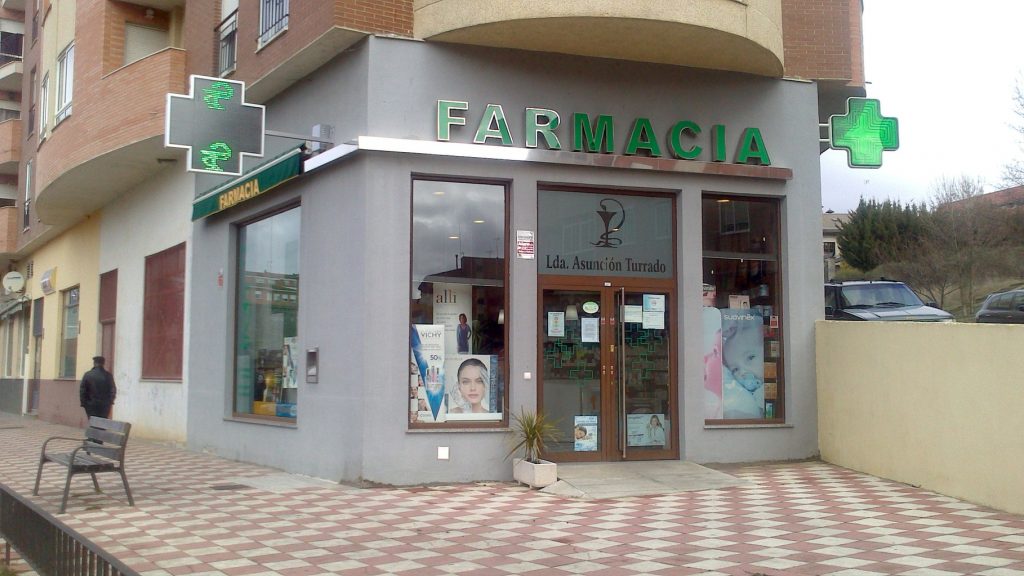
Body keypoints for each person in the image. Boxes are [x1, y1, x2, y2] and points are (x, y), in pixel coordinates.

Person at [80, 356, 117, 420]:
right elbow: (113, 390)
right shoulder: (108, 375)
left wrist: (83, 403)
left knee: (93, 424)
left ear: (94, 363)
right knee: (102, 424)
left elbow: (82, 391)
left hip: (91, 404)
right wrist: (110, 401)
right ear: (103, 363)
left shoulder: (87, 375)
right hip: (105, 405)